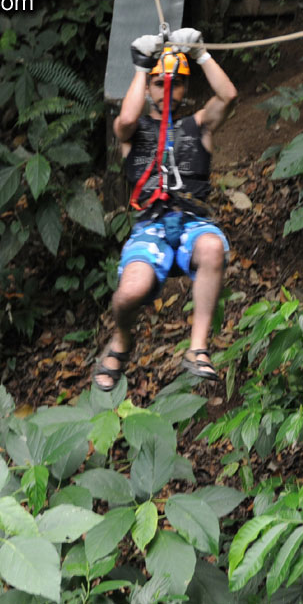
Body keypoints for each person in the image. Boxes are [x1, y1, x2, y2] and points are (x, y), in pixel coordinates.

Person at [92, 28, 238, 392]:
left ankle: (197, 348)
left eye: (174, 84)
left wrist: (201, 54)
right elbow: (124, 121)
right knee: (129, 294)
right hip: (151, 228)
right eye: (159, 84)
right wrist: (141, 68)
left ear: (184, 89)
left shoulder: (198, 125)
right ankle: (122, 340)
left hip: (192, 222)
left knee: (211, 248)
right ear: (148, 88)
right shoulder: (133, 133)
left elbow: (228, 95)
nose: (166, 91)